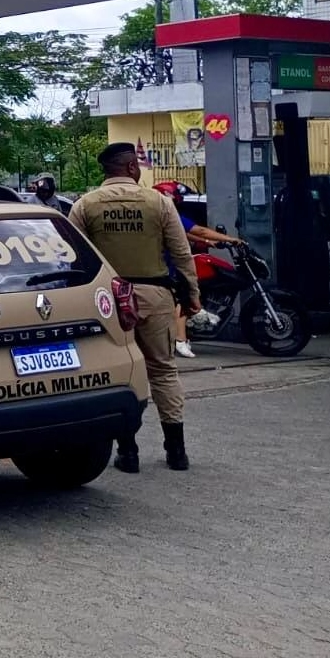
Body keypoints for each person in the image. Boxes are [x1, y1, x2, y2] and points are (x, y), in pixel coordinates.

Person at [70, 143, 198, 472]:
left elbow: (73, 258)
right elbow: (182, 254)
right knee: (163, 371)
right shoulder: (160, 203)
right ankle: (177, 452)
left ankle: (127, 453)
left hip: (108, 299)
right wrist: (192, 296)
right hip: (155, 294)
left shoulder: (85, 205)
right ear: (130, 168)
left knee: (120, 373)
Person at [153, 180, 241, 358]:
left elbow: (185, 234)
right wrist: (231, 239)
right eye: (176, 199)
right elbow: (199, 230)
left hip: (164, 264)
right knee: (182, 298)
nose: (178, 202)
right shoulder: (168, 214)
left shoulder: (162, 215)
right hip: (165, 266)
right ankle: (180, 340)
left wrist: (208, 243)